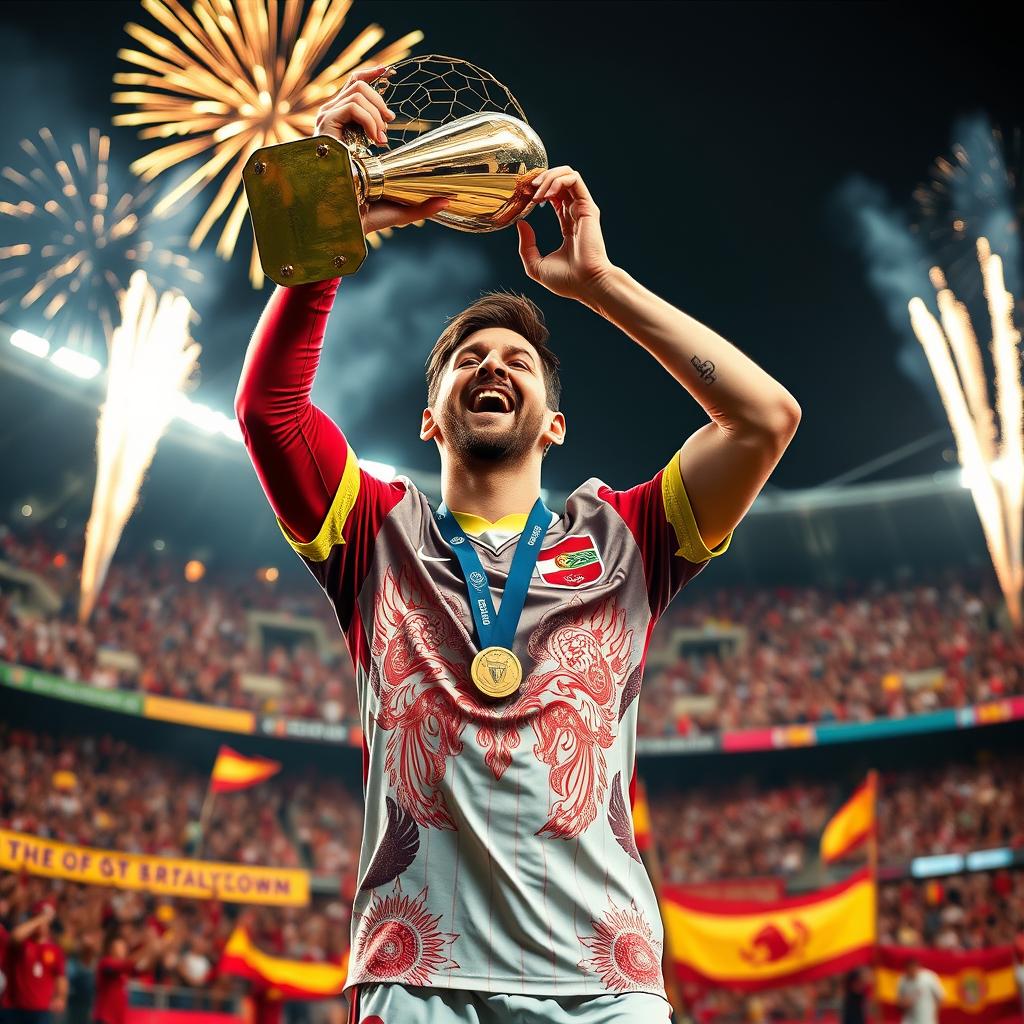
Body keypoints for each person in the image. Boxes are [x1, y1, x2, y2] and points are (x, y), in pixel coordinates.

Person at [235, 63, 800, 1024]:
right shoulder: (374, 532)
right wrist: (331, 198)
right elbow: (267, 411)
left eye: (520, 361)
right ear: (430, 417)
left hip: (603, 985)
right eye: (468, 358)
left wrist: (601, 286)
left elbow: (763, 419)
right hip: (417, 978)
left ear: (553, 424)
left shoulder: (626, 539)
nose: (493, 364)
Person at [5, 902, 66, 1024]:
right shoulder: (23, 943)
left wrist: (60, 997)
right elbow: (15, 936)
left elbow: (60, 976)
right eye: (37, 918)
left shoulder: (54, 949)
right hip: (14, 1008)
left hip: (40, 1011)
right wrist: (40, 918)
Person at [896, 957, 944, 1024]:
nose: (912, 971)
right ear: (906, 969)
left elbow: (940, 997)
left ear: (918, 967)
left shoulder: (929, 977)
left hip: (927, 1020)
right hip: (909, 1020)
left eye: (913, 968)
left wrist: (933, 1013)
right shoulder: (902, 980)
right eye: (909, 969)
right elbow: (899, 1003)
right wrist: (903, 1004)